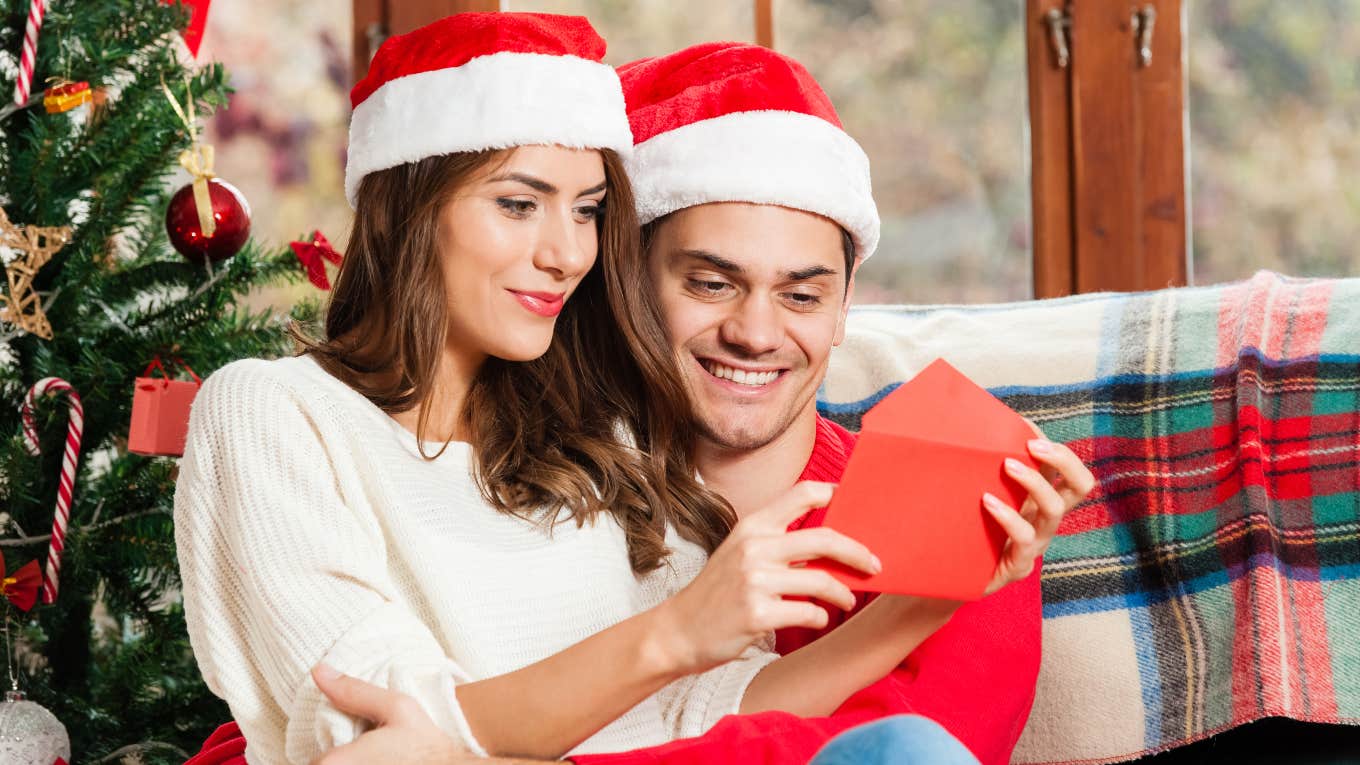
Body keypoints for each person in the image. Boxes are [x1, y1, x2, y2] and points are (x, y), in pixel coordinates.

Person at [176, 15, 1058, 765]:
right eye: (519, 204)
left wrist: (922, 607)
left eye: (589, 209)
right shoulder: (273, 410)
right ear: (409, 208)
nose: (565, 253)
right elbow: (370, 727)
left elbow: (704, 711)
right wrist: (674, 631)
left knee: (907, 752)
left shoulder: (591, 442)